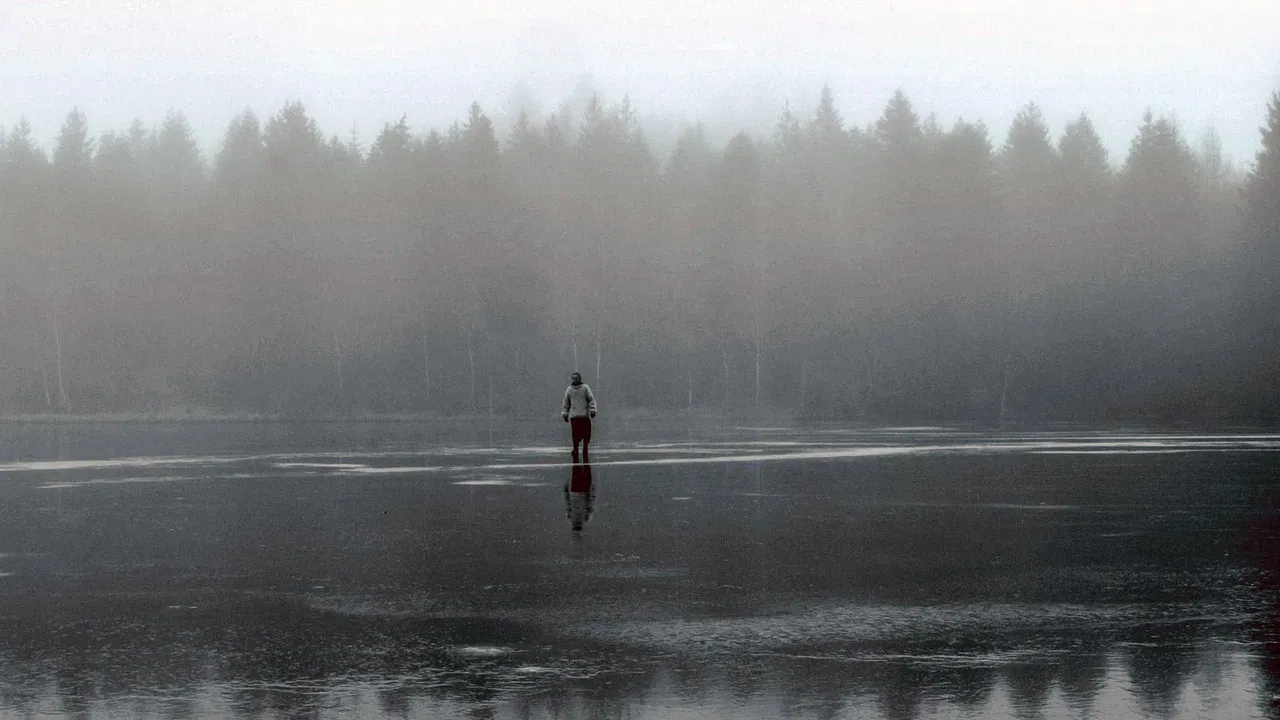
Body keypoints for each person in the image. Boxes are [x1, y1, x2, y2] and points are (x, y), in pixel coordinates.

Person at [561, 371, 597, 462]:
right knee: (575, 436)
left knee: (586, 436)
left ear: (579, 379)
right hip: (574, 417)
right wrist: (565, 414)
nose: (574, 380)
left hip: (584, 416)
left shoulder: (585, 388)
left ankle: (585, 450)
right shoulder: (569, 389)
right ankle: (576, 450)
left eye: (576, 378)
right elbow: (566, 403)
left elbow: (591, 399)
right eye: (573, 378)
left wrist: (593, 410)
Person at [564, 463, 596, 532]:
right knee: (578, 467)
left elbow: (590, 505)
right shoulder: (584, 518)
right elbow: (568, 504)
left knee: (579, 467)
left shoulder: (585, 518)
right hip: (579, 491)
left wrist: (593, 492)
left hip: (579, 491)